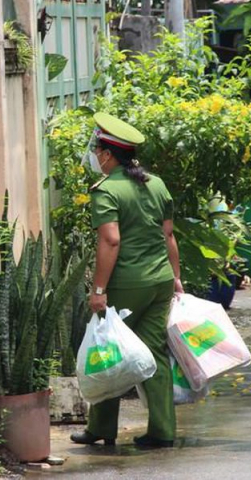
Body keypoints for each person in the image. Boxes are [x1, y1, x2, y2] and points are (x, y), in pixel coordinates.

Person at [70, 112, 183, 449]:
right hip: (160, 281)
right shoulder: (156, 183)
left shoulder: (106, 191)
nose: (95, 156)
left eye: (96, 150)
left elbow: (111, 240)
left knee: (108, 350)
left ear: (107, 155)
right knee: (155, 353)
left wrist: (99, 289)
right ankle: (162, 431)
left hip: (127, 285)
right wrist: (176, 278)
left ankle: (102, 428)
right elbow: (169, 236)